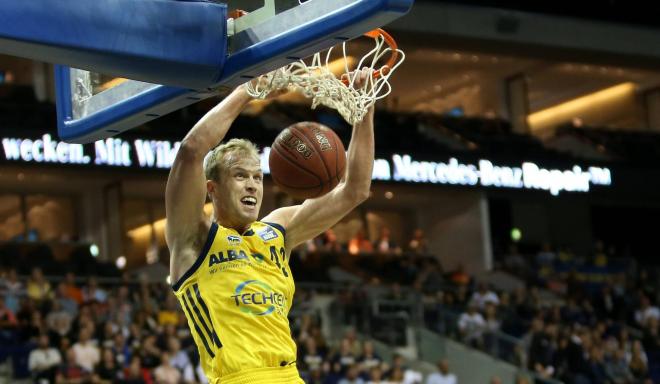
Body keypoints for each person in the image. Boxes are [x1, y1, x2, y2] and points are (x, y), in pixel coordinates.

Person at [166, 71, 375, 384]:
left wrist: (364, 108)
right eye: (240, 176)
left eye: (257, 178)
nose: (252, 186)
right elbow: (191, 150)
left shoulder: (277, 231)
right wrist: (249, 90)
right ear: (213, 189)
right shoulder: (194, 238)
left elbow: (354, 189)